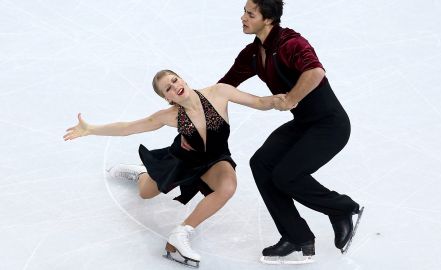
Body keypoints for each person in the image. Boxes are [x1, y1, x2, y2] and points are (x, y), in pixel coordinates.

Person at [194, 0, 364, 264]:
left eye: (250, 14)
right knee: (261, 164)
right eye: (244, 12)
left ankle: (342, 208)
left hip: (330, 126)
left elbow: (315, 72)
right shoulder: (253, 53)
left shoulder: (291, 44)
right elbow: (224, 86)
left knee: (286, 175)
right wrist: (190, 102)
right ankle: (297, 236)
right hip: (303, 124)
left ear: (268, 19)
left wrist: (291, 98)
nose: (243, 18)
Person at [63, 69, 285, 268]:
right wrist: (91, 129)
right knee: (145, 193)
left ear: (183, 79)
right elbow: (128, 128)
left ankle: (181, 233)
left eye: (174, 80)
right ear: (167, 98)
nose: (174, 87)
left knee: (228, 186)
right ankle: (141, 172)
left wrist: (282, 100)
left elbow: (259, 102)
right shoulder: (169, 116)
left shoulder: (219, 93)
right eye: (167, 88)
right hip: (183, 161)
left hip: (215, 161)